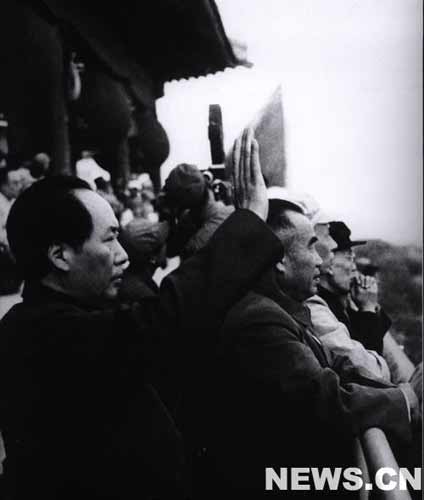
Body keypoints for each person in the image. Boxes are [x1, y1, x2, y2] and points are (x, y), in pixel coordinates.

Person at [0, 128, 283, 500]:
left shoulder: (62, 315)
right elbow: (163, 318)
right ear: (60, 256)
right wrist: (249, 221)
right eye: (109, 239)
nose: (123, 254)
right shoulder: (38, 333)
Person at [199, 195, 420, 498]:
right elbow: (325, 398)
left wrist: (401, 393)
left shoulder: (283, 310)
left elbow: (339, 366)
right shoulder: (261, 321)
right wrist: (404, 399)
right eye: (310, 247)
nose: (319, 260)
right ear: (279, 259)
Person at [318, 221, 391, 354]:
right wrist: (368, 307)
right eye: (349, 259)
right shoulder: (323, 308)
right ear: (329, 263)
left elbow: (380, 330)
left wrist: (369, 304)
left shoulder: (340, 301)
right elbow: (369, 357)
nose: (354, 267)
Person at [163, 163, 234, 259]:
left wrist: (170, 215)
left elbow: (179, 252)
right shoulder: (230, 212)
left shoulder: (216, 223)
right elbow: (171, 250)